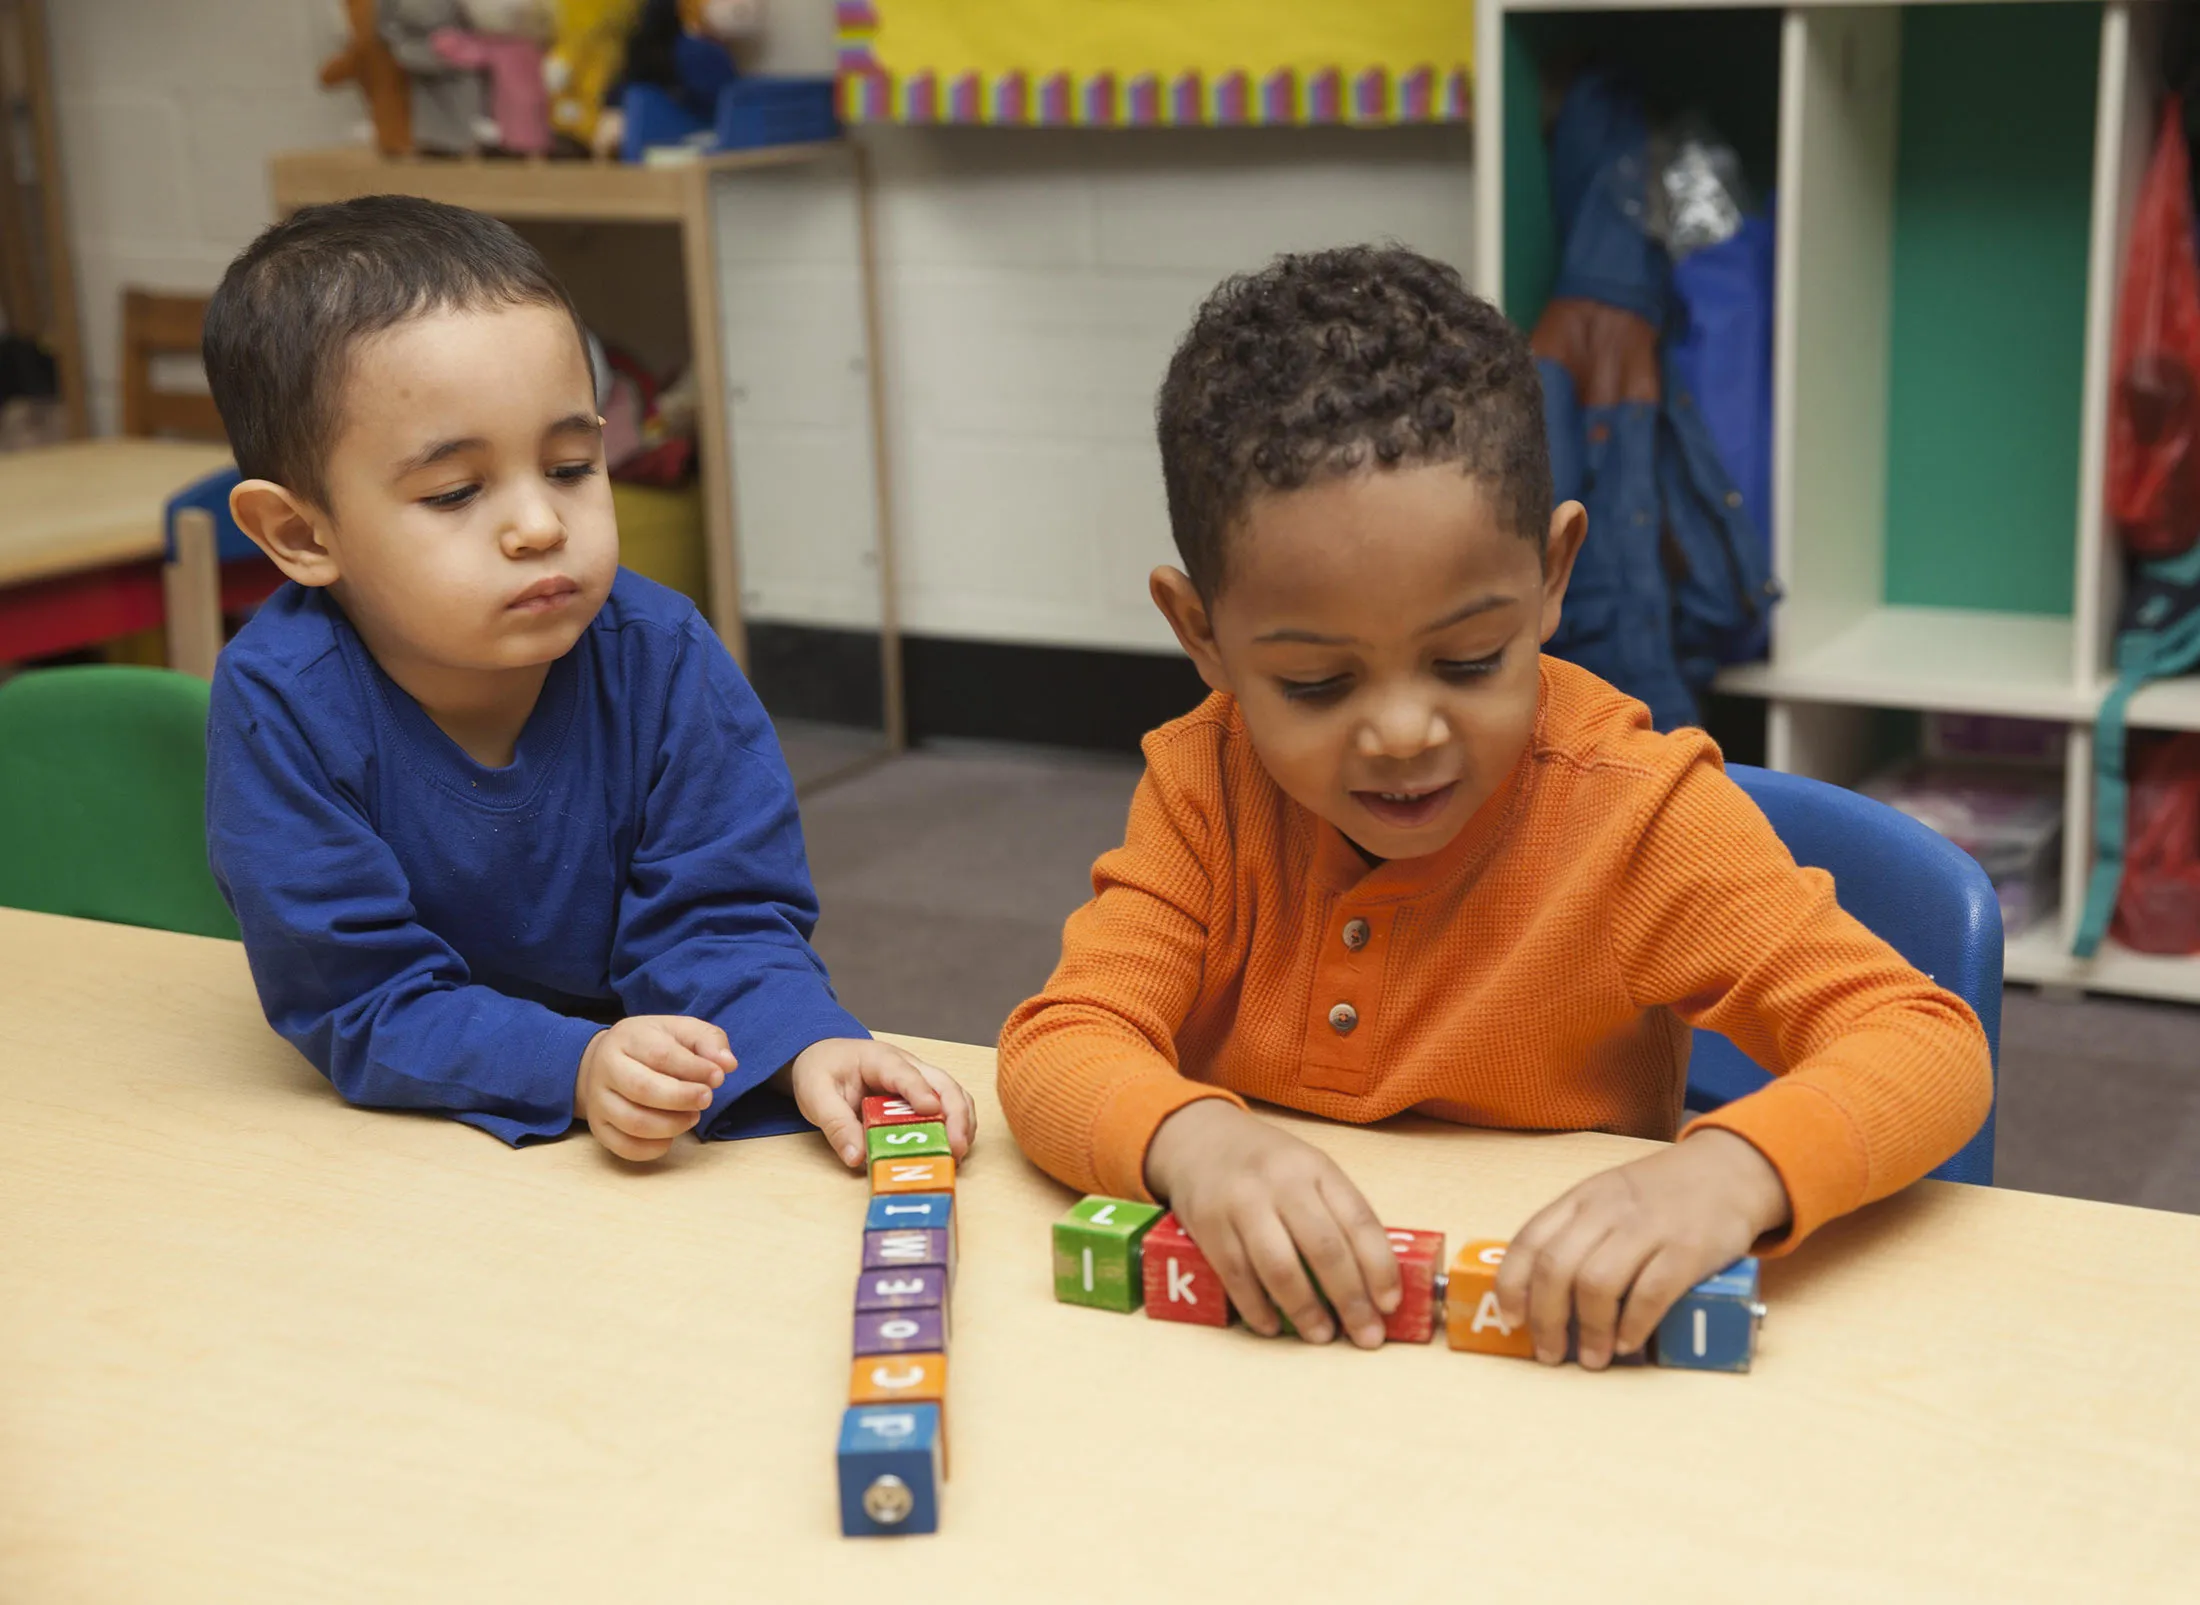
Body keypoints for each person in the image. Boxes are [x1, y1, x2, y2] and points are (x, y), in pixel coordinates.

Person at [997, 246, 1990, 1367]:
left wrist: (1730, 1173)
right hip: (1268, 1366)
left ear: (1553, 575)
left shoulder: (1635, 815)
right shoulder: (1203, 785)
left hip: (1560, 1375)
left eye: (1469, 660)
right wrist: (1193, 1141)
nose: (1404, 734)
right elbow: (1058, 1045)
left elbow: (1922, 1042)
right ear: (1201, 636)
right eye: (1317, 684)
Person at [201, 194, 972, 1166]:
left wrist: (804, 1041)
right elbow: (357, 995)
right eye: (456, 492)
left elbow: (723, 915)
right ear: (301, 535)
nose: (540, 525)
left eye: (571, 465)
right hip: (408, 1139)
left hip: (657, 1113)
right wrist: (572, 1063)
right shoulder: (281, 702)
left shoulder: (661, 652)